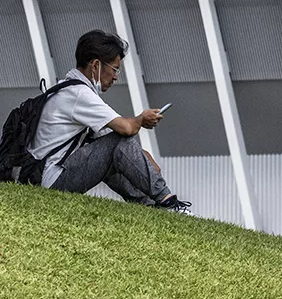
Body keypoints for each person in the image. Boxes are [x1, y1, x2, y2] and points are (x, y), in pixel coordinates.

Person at [29, 29, 192, 215]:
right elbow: (124, 129)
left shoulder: (67, 88)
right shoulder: (79, 94)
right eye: (114, 69)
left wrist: (141, 156)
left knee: (112, 152)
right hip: (52, 181)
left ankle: (149, 206)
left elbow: (104, 140)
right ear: (96, 65)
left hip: (45, 177)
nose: (116, 76)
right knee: (118, 142)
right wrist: (141, 119)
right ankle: (168, 202)